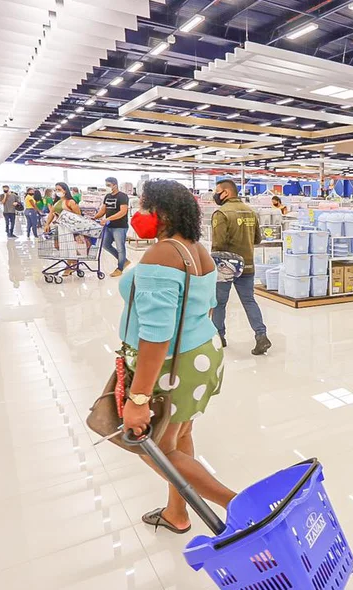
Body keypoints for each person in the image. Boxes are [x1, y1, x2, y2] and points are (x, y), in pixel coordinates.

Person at [119, 179, 236, 534]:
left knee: (152, 448)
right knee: (180, 436)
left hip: (173, 364)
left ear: (164, 212)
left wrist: (138, 399)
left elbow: (157, 334)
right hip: (201, 355)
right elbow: (210, 307)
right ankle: (176, 512)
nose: (139, 215)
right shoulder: (196, 249)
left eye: (144, 207)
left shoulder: (162, 255)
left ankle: (238, 503)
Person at [211, 180, 271, 355]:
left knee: (220, 302)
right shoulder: (251, 212)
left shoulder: (221, 213)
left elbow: (218, 243)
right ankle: (261, 335)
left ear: (226, 193)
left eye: (217, 192)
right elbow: (257, 240)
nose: (215, 195)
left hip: (226, 266)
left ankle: (219, 336)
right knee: (249, 301)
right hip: (247, 264)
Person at [44, 182, 86, 276]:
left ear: (65, 190)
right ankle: (73, 264)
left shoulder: (70, 202)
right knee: (61, 246)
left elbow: (78, 216)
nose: (57, 191)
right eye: (56, 190)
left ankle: (69, 267)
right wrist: (47, 224)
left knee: (69, 246)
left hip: (69, 229)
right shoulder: (57, 202)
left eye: (59, 189)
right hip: (60, 228)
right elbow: (51, 213)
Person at [94, 177, 131, 277]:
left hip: (120, 226)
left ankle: (120, 268)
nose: (107, 187)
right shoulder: (107, 196)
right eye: (106, 185)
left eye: (109, 185)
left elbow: (123, 212)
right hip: (109, 226)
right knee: (105, 245)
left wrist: (108, 219)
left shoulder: (123, 196)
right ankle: (124, 261)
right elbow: (103, 210)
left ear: (115, 185)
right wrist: (94, 217)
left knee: (120, 248)